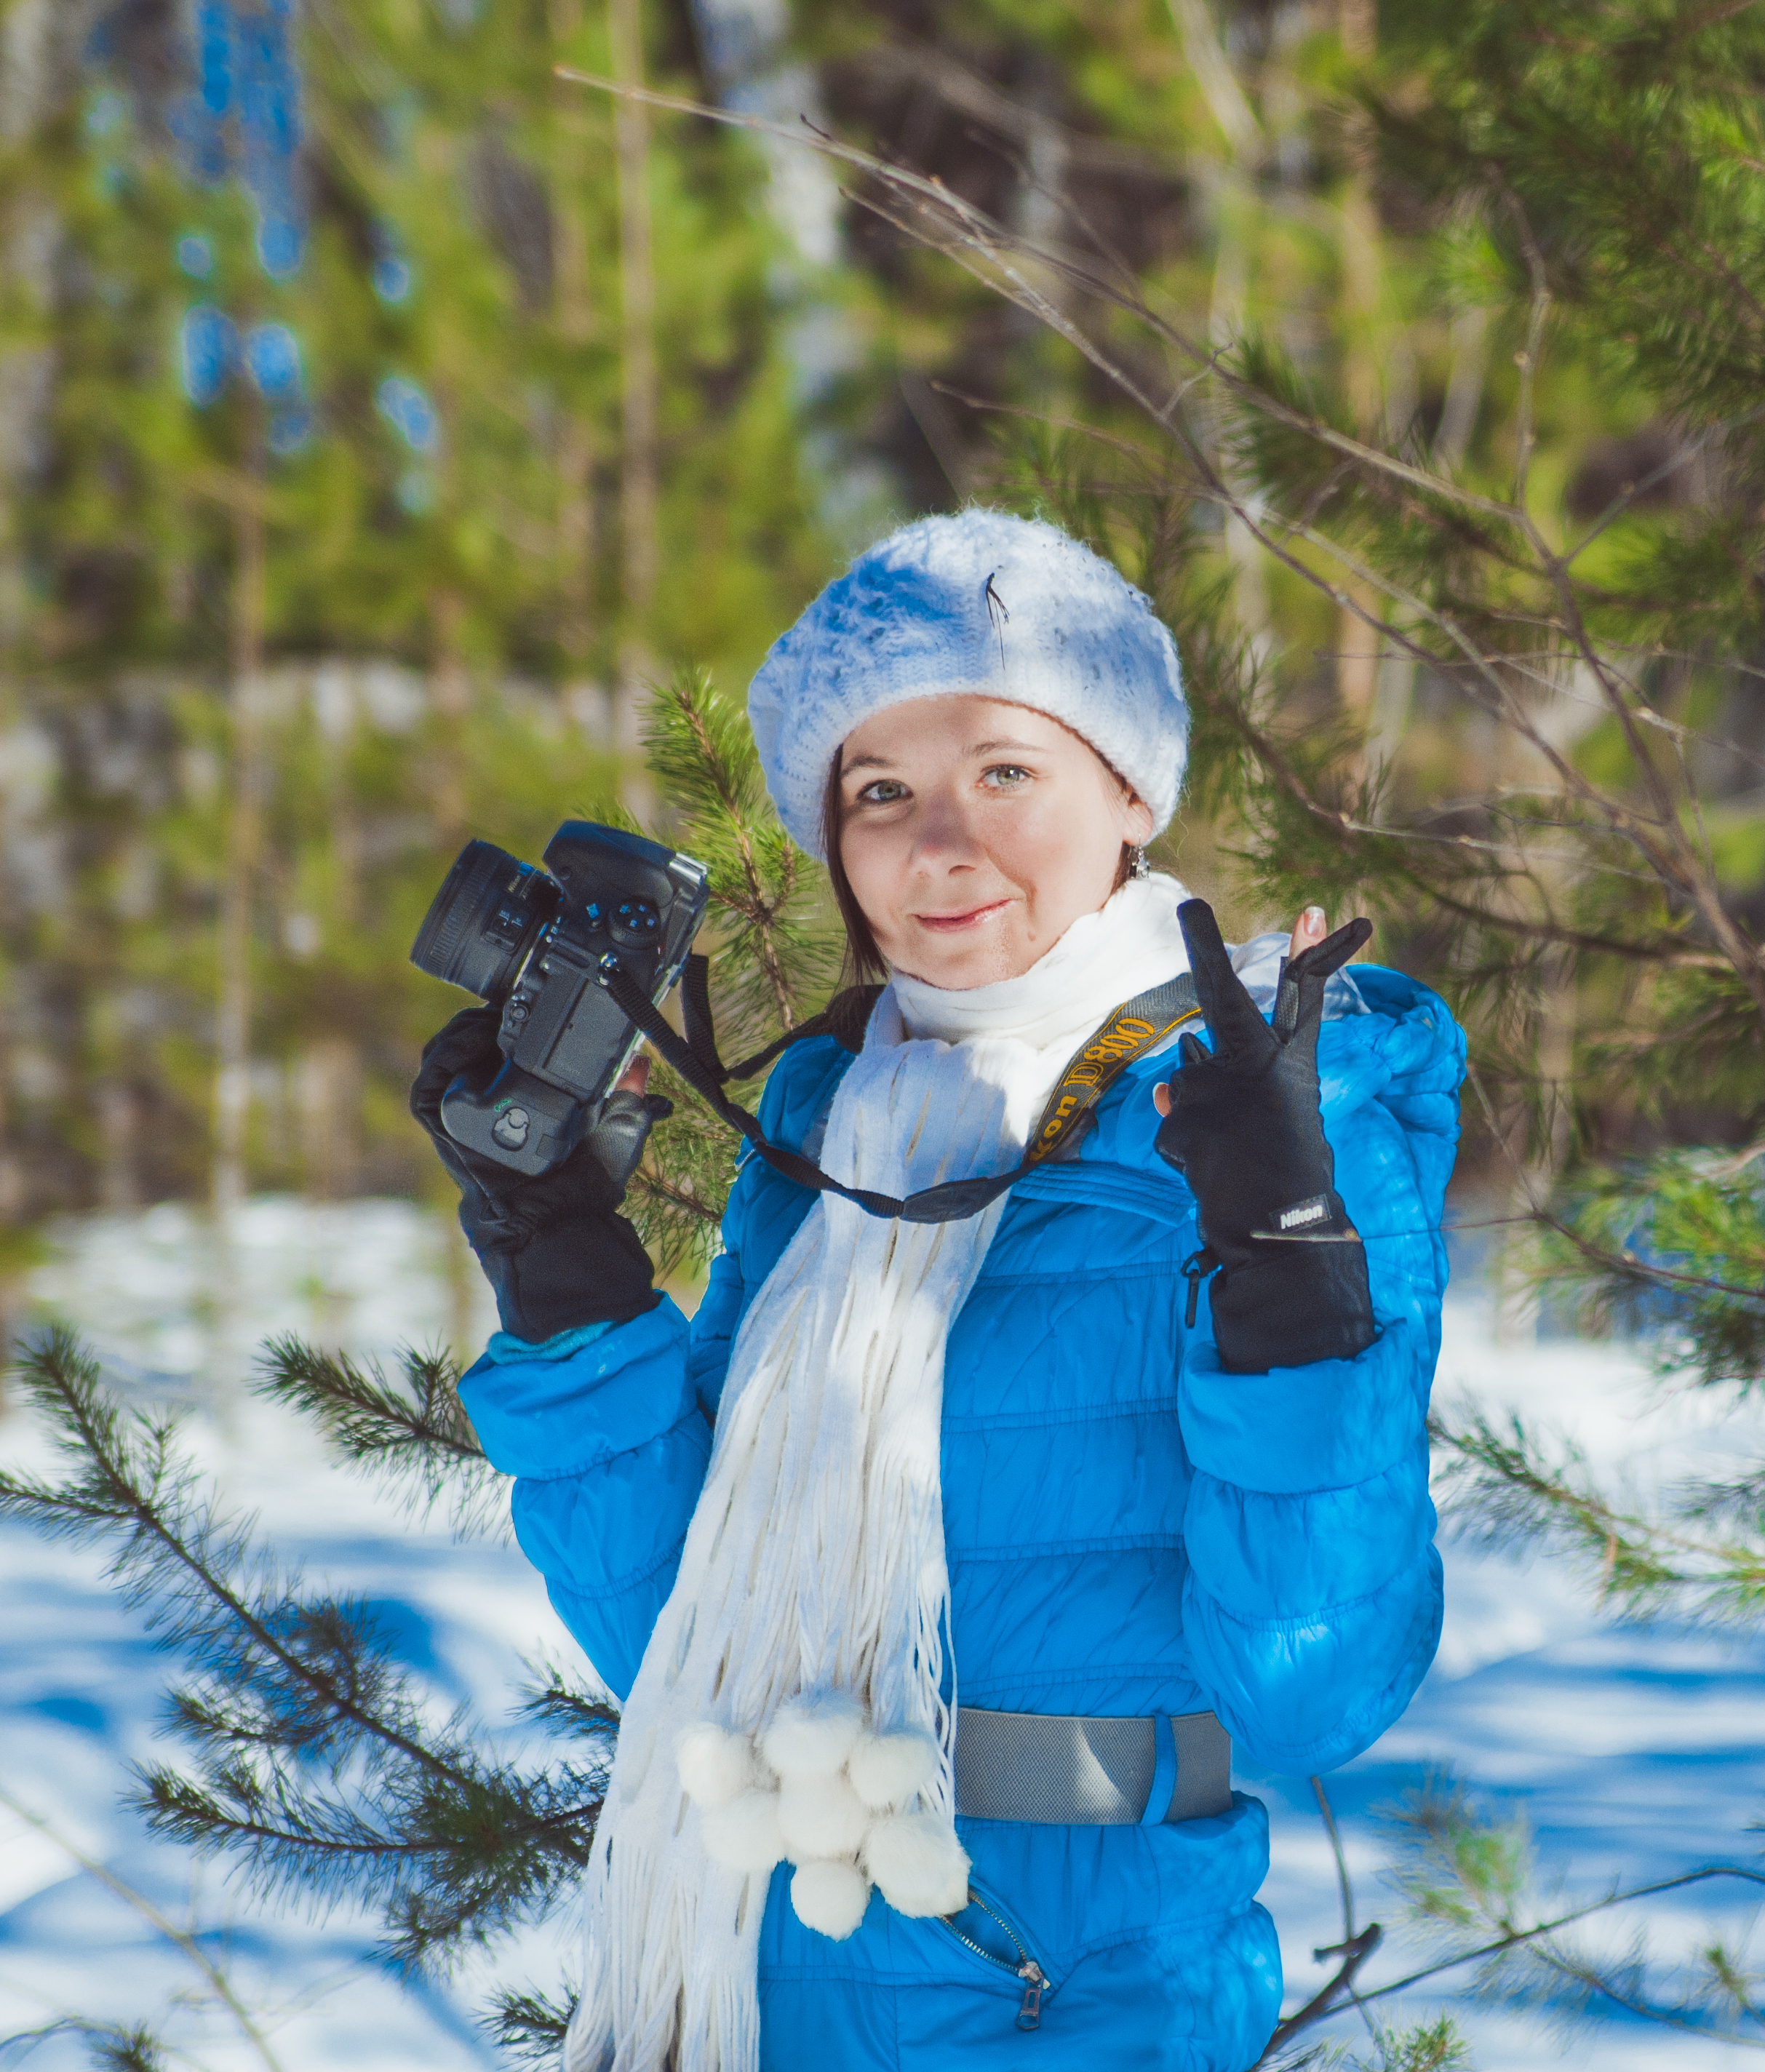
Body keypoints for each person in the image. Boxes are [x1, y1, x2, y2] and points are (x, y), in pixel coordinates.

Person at [411, 509, 1460, 2071]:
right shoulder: (833, 1132)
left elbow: (1315, 1697)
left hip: (1076, 1973)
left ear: (1128, 790)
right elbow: (678, 1641)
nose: (938, 841)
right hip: (748, 1958)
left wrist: (1290, 1262)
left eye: (1004, 771)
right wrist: (561, 1258)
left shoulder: (1285, 1096)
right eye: (880, 790)